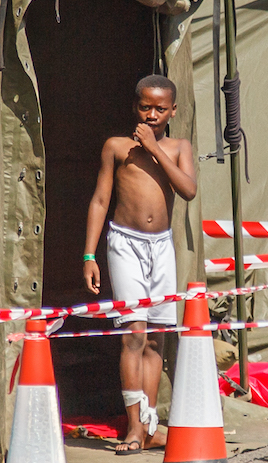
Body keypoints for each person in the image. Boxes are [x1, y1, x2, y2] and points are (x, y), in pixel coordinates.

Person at [82, 74, 197, 455]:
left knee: (155, 338)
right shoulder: (117, 147)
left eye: (160, 109)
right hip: (124, 243)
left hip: (161, 247)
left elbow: (188, 190)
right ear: (135, 106)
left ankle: (149, 425)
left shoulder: (179, 147)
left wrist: (155, 148)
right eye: (145, 107)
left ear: (173, 111)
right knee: (133, 333)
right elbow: (100, 200)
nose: (151, 115)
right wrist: (89, 255)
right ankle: (133, 427)